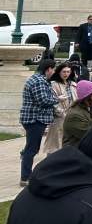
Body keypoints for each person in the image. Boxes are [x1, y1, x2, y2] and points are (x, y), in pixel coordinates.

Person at [18, 57, 58, 185]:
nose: (54, 72)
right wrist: (59, 99)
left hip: (34, 119)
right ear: (48, 69)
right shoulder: (38, 81)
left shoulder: (38, 79)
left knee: (30, 148)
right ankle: (25, 178)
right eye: (54, 69)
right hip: (34, 119)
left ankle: (26, 172)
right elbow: (43, 101)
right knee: (32, 149)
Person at [42, 61, 79, 155]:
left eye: (68, 71)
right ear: (59, 72)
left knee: (70, 142)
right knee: (55, 144)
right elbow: (53, 102)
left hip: (72, 116)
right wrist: (61, 113)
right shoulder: (53, 84)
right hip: (59, 118)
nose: (66, 74)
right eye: (64, 72)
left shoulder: (73, 84)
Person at [62, 79, 92, 148]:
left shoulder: (86, 108)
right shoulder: (75, 115)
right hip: (74, 153)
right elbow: (89, 135)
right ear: (87, 96)